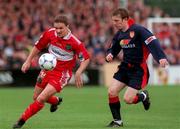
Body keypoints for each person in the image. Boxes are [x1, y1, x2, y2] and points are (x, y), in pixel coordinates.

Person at [13, 15, 90, 129]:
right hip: (47, 70)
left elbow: (86, 58)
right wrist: (28, 61)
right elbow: (38, 46)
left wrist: (78, 72)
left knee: (41, 98)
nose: (58, 31)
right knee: (36, 97)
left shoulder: (75, 42)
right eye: (56, 28)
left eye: (61, 28)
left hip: (61, 74)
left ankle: (20, 122)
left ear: (67, 27)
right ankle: (55, 101)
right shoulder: (50, 33)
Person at [106, 8, 169, 127]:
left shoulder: (139, 30)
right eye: (113, 20)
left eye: (116, 20)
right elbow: (114, 46)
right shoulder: (119, 34)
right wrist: (110, 54)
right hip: (125, 67)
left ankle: (143, 96)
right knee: (112, 92)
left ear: (125, 19)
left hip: (138, 70)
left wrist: (160, 57)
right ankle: (117, 122)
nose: (114, 23)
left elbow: (152, 42)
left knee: (128, 99)